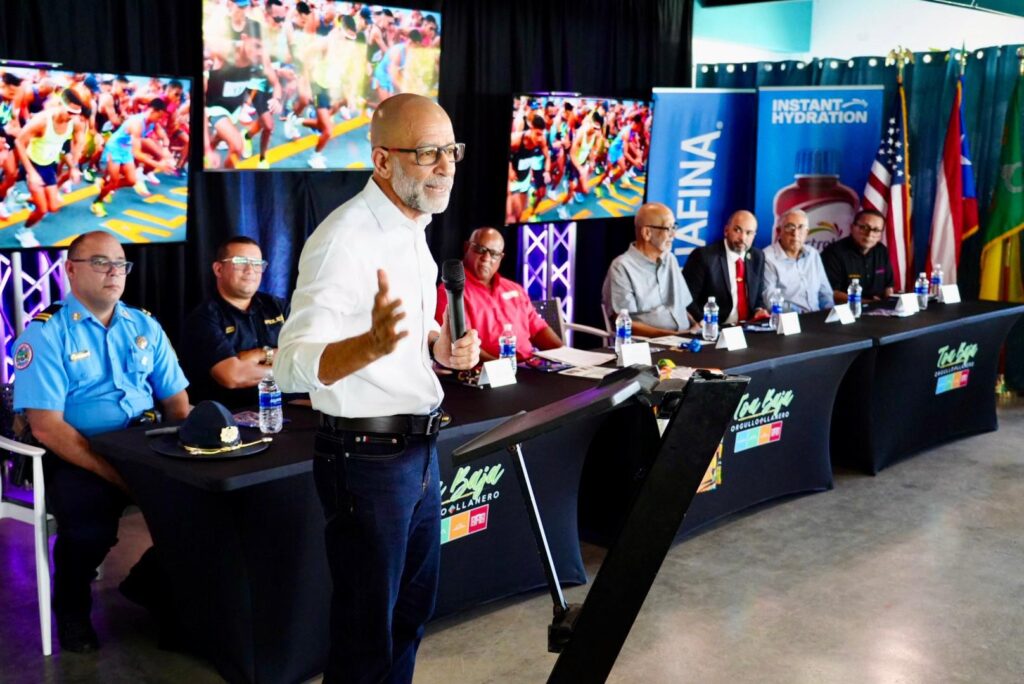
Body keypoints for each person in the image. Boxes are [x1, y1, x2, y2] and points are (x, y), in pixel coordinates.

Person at [274, 93, 480, 683]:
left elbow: (409, 329)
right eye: (427, 153)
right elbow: (289, 366)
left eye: (451, 151)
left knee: (409, 618)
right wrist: (368, 346)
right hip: (365, 461)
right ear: (383, 160)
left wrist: (438, 345)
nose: (445, 166)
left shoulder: (413, 227)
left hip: (418, 452)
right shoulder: (343, 239)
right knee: (366, 635)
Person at [12, 230, 190, 652]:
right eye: (100, 262)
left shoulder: (144, 324)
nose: (114, 272)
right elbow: (47, 427)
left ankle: (148, 584)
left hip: (141, 443)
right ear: (70, 271)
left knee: (201, 508)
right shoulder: (46, 333)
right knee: (88, 529)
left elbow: (177, 403)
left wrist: (183, 459)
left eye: (120, 263)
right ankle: (72, 611)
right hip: (75, 451)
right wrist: (118, 476)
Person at [181, 236, 289, 409]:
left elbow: (307, 353)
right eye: (240, 262)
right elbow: (233, 376)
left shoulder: (278, 307)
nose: (250, 270)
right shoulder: (204, 318)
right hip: (232, 416)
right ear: (218, 269)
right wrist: (288, 366)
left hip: (287, 407)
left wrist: (258, 355)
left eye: (257, 263)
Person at [434, 227, 562, 361]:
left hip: (527, 366)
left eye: (494, 253)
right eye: (480, 249)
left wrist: (563, 355)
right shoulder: (451, 292)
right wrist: (503, 368)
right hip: (486, 369)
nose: (486, 258)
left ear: (501, 257)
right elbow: (462, 346)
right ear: (467, 248)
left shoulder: (515, 289)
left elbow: (539, 330)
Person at [602, 201, 698, 337]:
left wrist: (695, 327)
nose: (673, 235)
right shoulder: (622, 267)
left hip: (684, 338)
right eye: (668, 229)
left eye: (674, 227)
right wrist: (672, 336)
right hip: (649, 343)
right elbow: (623, 322)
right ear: (647, 233)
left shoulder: (670, 259)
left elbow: (679, 308)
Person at [683, 209, 767, 325]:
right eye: (737, 230)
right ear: (726, 230)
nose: (742, 238)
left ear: (754, 236)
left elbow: (757, 298)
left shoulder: (757, 256)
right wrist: (706, 324)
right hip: (715, 326)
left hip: (749, 327)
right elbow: (686, 299)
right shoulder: (704, 256)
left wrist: (759, 310)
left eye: (749, 233)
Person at [762, 209, 834, 312]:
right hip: (788, 318)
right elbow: (770, 300)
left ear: (807, 232)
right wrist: (802, 314)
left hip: (817, 317)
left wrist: (831, 313)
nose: (795, 233)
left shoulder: (813, 254)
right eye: (789, 227)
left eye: (801, 227)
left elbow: (825, 292)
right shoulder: (767, 257)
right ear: (779, 231)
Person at [821, 208, 895, 303]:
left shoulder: (882, 251)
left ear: (881, 234)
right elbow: (832, 293)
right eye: (864, 228)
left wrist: (890, 303)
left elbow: (888, 287)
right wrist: (868, 303)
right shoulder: (833, 252)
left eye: (876, 230)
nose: (869, 234)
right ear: (852, 228)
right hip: (846, 308)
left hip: (879, 307)